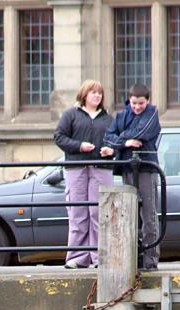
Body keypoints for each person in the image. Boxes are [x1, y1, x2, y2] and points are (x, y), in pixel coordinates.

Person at [54, 79, 114, 269]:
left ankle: (99, 257)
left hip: (101, 169)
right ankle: (76, 257)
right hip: (76, 169)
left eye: (100, 93)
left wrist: (110, 150)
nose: (97, 95)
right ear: (84, 95)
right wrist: (79, 146)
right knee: (78, 213)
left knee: (99, 212)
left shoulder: (108, 119)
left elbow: (116, 141)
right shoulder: (71, 114)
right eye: (93, 92)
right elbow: (59, 137)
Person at [103, 83, 161, 270]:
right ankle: (132, 257)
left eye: (141, 104)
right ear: (129, 100)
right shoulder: (121, 115)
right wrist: (126, 142)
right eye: (134, 103)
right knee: (129, 214)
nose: (137, 107)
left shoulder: (152, 113)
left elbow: (142, 132)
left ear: (148, 101)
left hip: (146, 168)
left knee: (149, 215)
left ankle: (150, 260)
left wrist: (119, 141)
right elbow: (108, 137)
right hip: (127, 168)